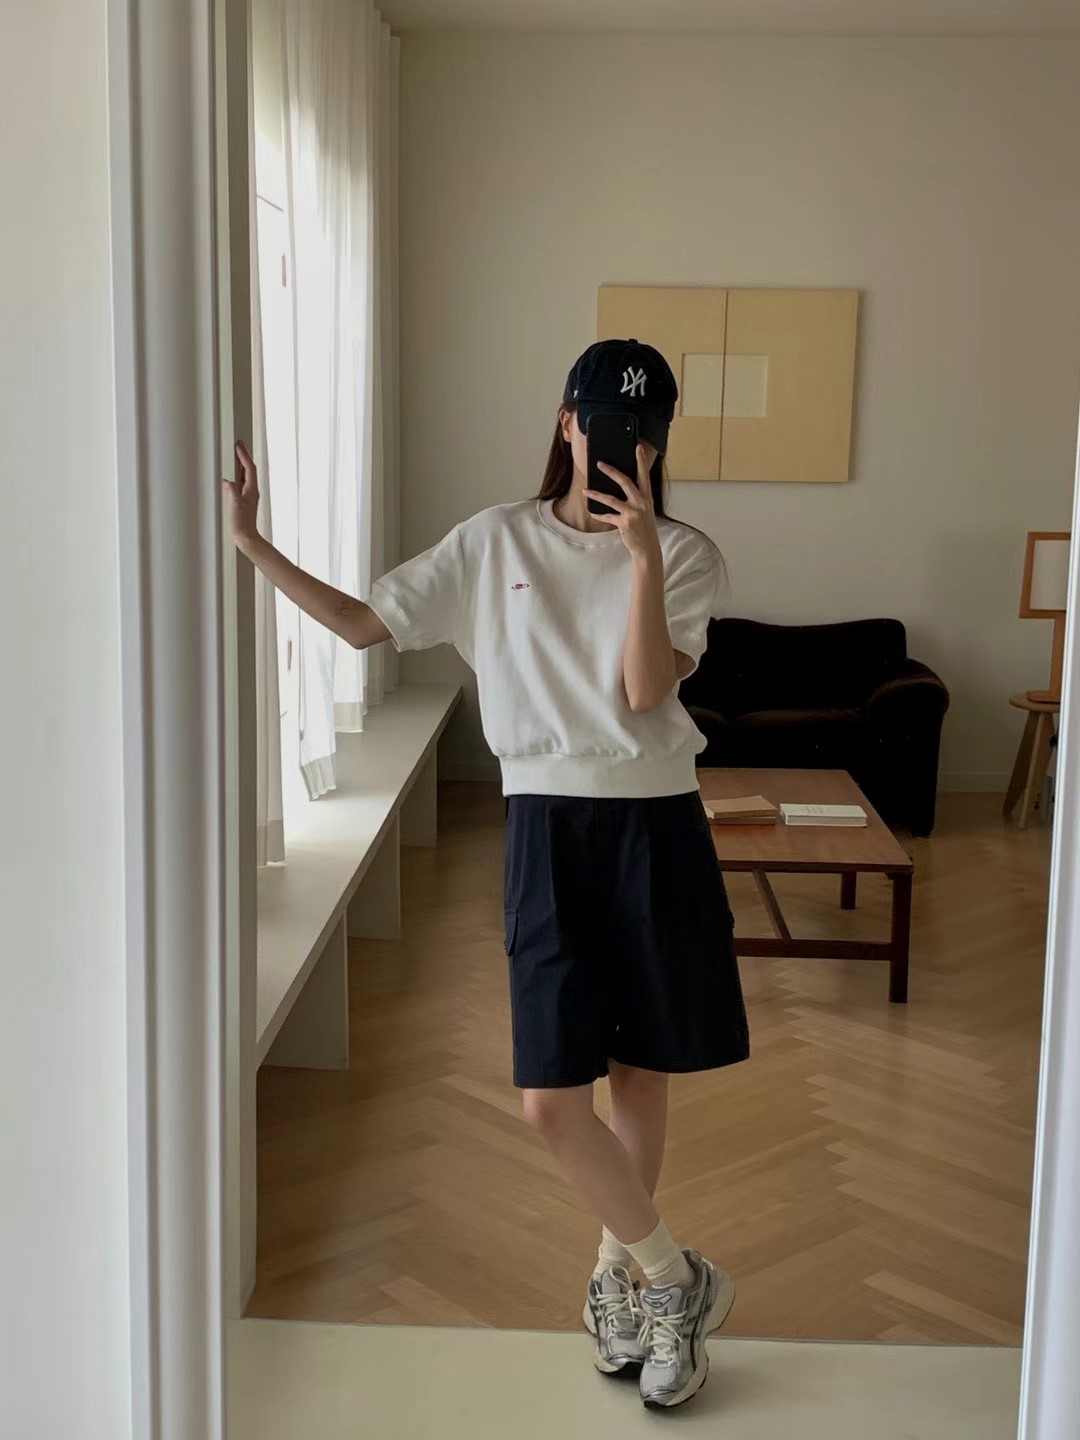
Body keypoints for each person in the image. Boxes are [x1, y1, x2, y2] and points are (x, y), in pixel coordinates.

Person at [224, 338, 750, 1409]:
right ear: (567, 424)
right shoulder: (491, 540)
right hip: (545, 827)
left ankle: (620, 1283)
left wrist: (642, 560)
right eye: (605, 424)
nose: (625, 446)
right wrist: (248, 542)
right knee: (550, 1100)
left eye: (645, 433)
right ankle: (675, 1277)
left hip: (655, 827)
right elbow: (363, 626)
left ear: (661, 443)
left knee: (639, 1073)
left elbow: (644, 693)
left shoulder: (687, 554)